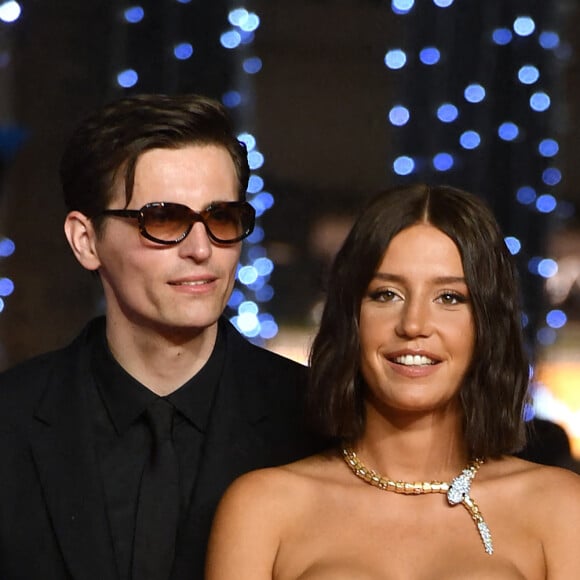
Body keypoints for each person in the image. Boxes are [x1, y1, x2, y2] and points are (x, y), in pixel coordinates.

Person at [0, 94, 321, 580]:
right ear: (86, 241)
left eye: (221, 219)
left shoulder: (317, 420)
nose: (200, 249)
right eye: (163, 220)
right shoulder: (10, 421)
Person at [206, 184, 580, 579]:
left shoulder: (560, 508)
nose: (414, 325)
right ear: (351, 315)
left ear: (487, 324)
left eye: (449, 298)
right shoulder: (264, 508)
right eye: (386, 294)